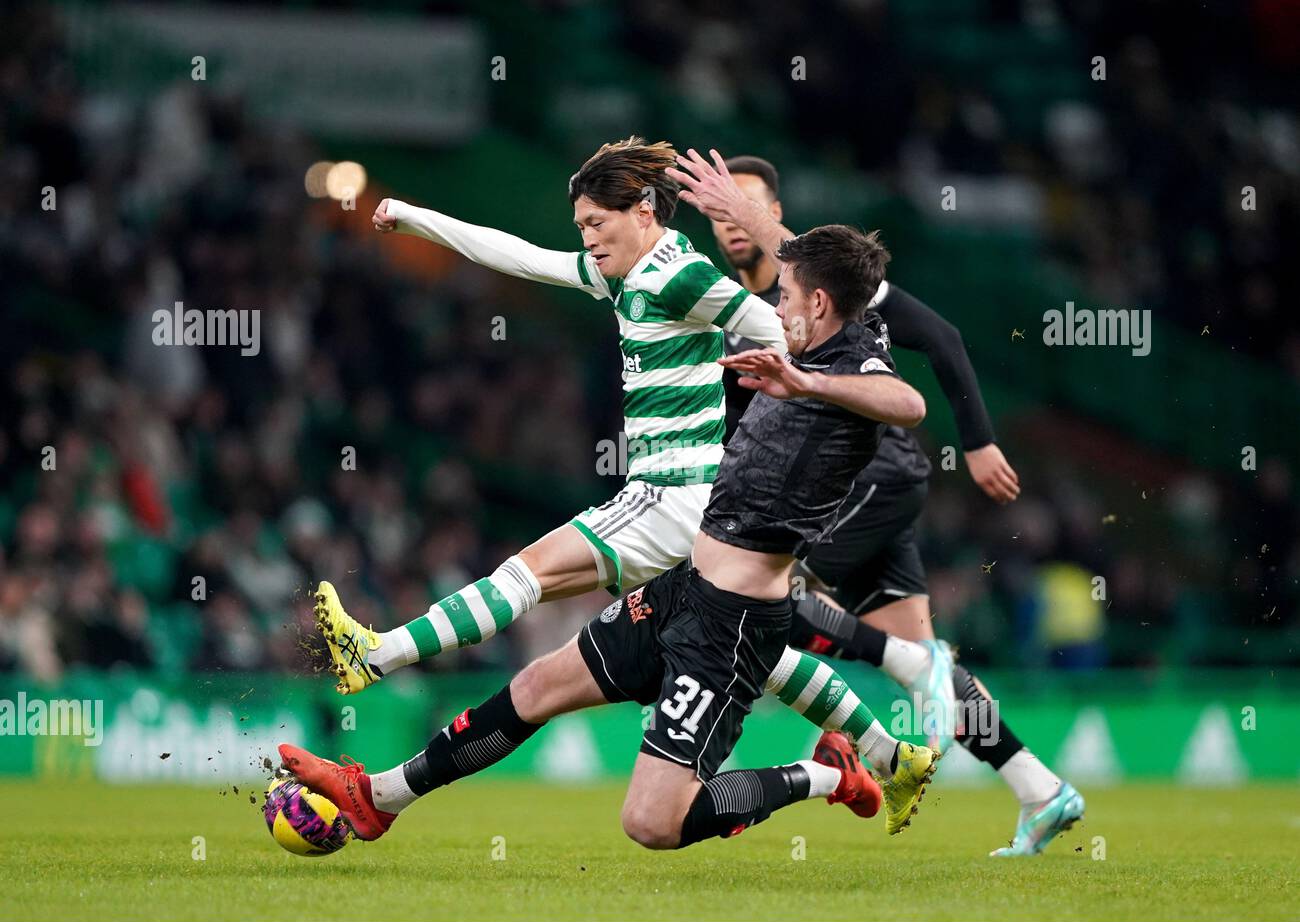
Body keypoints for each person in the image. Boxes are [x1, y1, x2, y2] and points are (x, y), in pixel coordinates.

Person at [281, 224, 942, 848]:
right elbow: (812, 272)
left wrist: (805, 381)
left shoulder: (846, 368)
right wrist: (742, 213)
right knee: (537, 687)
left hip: (731, 622)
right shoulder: (816, 338)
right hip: (684, 585)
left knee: (651, 821)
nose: (775, 300)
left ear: (819, 302)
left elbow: (908, 404)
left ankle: (831, 774)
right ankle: (380, 796)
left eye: (787, 293)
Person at [668, 149, 1084, 856]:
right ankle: (1040, 788)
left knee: (764, 595)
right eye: (717, 208)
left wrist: (979, 442)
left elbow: (942, 339)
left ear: (776, 217)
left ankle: (890, 677)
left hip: (873, 479)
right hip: (830, 495)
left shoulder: (833, 285)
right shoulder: (730, 311)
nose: (730, 219)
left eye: (746, 205)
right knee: (927, 665)